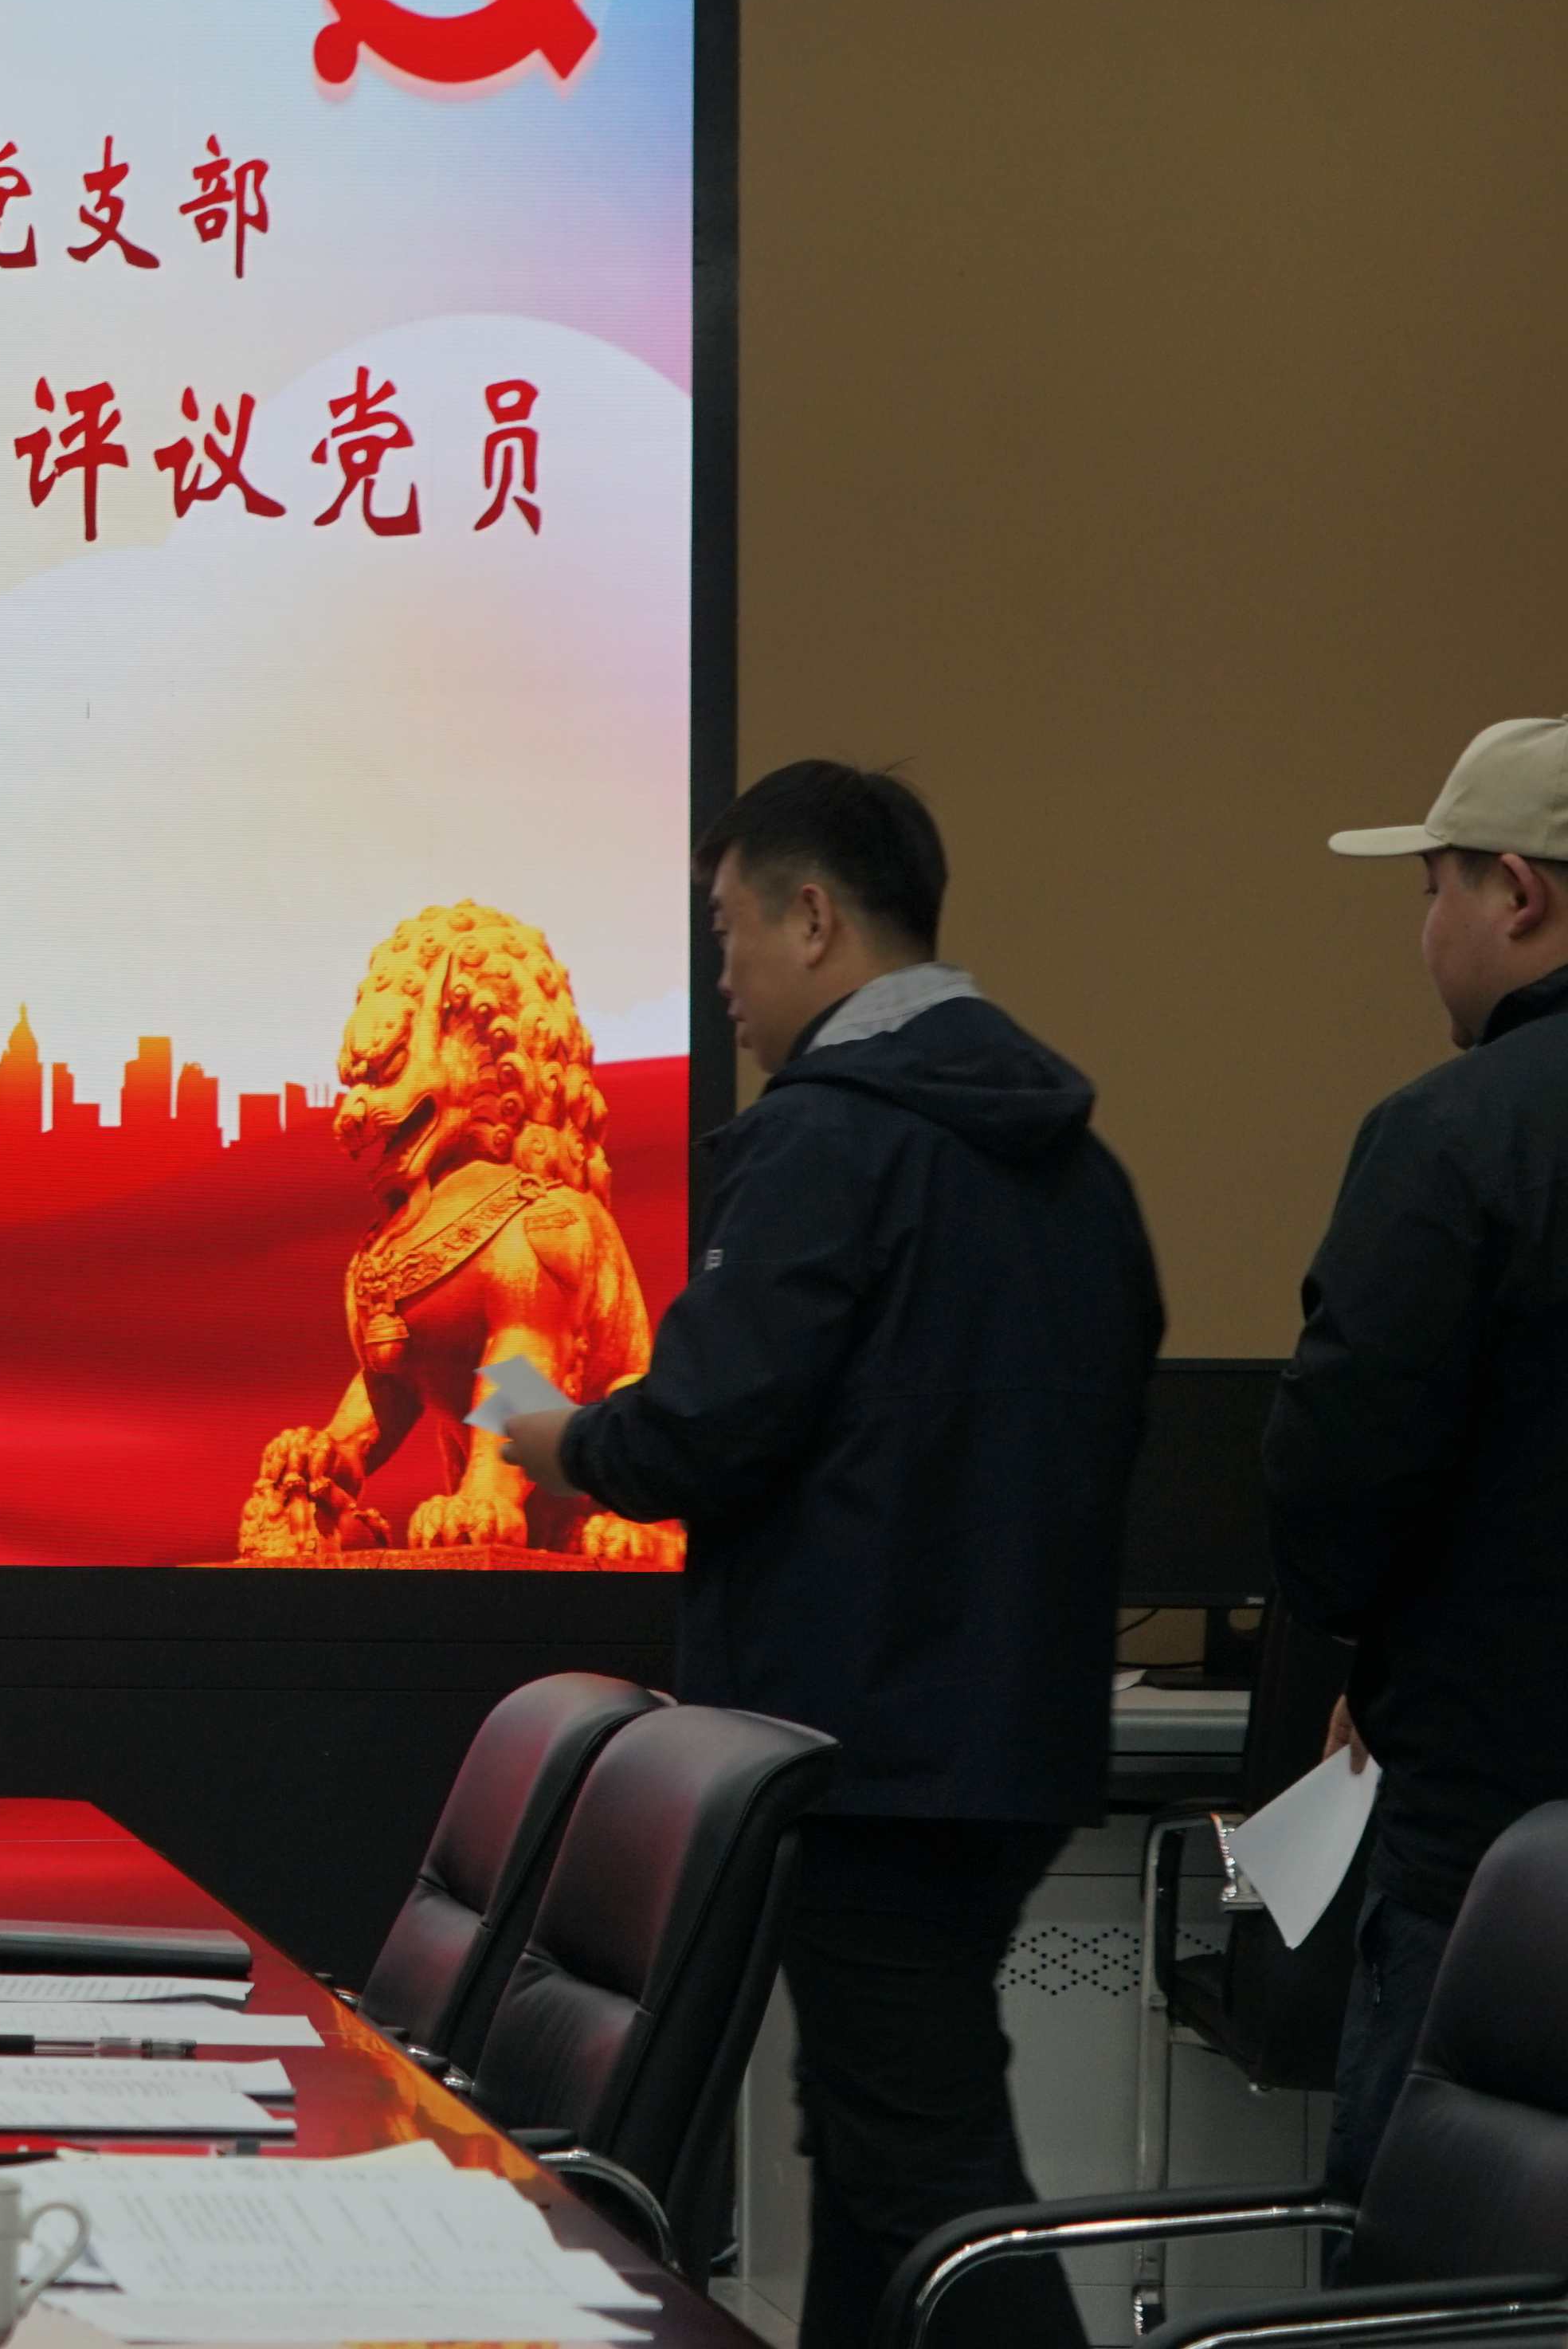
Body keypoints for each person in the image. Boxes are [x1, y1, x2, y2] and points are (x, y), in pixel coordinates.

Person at [498, 762, 1159, 2349]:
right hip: (1012, 1743)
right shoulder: (1076, 1164)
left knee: (926, 2166)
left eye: (728, 928)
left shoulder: (827, 1143)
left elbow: (705, 1425)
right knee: (875, 2145)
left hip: (855, 1750)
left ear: (813, 917)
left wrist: (556, 1435)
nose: (721, 976)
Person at [1266, 716, 1568, 2209]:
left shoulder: (1449, 1141)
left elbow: (1337, 1486)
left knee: (1431, 2267)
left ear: (1519, 891)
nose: (1425, 926)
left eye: (1433, 885)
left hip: (1488, 1857)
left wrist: (1363, 1641)